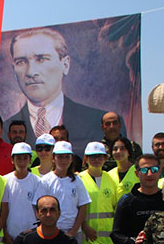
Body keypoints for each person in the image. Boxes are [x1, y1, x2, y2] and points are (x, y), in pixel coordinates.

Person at [7, 27, 107, 155]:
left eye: (41, 59)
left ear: (65, 64)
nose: (31, 72)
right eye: (21, 62)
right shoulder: (3, 130)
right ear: (14, 69)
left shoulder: (95, 122)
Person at [78, 142, 119, 244]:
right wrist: (85, 226)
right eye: (92, 157)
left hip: (106, 235)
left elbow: (114, 206)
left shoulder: (110, 178)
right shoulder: (79, 179)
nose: (96, 160)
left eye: (100, 157)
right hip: (87, 233)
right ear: (86, 159)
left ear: (105, 159)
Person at [40, 141, 90, 244]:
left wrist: (73, 231)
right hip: (51, 232)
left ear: (71, 159)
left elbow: (83, 206)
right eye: (60, 157)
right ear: (53, 158)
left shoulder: (77, 181)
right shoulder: (46, 180)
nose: (63, 160)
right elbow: (38, 207)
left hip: (73, 232)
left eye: (67, 157)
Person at [4, 142, 45, 244]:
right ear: (12, 160)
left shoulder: (37, 181)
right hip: (10, 236)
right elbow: (2, 210)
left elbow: (40, 210)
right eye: (18, 158)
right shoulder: (4, 181)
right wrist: (5, 233)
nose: (22, 162)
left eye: (25, 158)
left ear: (30, 160)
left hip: (32, 235)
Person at [108, 136, 139, 200]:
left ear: (129, 152)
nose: (118, 151)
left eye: (122, 149)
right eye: (115, 149)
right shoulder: (109, 174)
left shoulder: (138, 171)